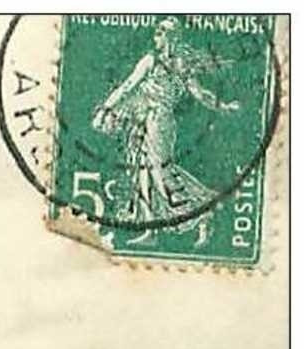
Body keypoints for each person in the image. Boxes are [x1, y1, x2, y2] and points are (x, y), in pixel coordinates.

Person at [90, 17, 241, 246]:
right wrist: (107, 107)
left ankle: (200, 214)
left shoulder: (179, 65)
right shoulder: (150, 60)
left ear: (171, 37)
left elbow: (200, 94)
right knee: (142, 173)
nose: (156, 38)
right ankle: (150, 229)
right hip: (143, 120)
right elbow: (128, 86)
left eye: (161, 34)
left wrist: (223, 106)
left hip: (161, 122)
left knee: (161, 173)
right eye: (157, 33)